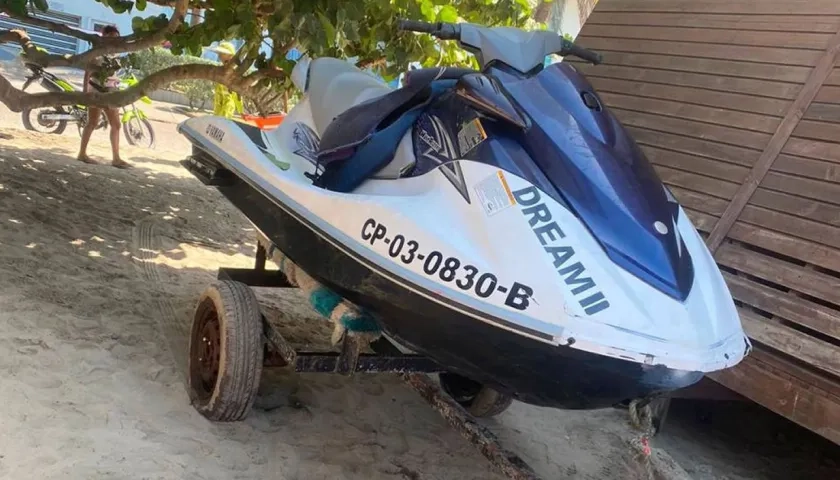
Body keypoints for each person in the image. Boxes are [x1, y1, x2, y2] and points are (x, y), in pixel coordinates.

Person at [77, 25, 132, 169]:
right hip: (96, 88)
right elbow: (88, 70)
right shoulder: (97, 52)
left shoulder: (117, 53)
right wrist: (85, 90)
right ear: (104, 36)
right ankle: (82, 153)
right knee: (93, 122)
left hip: (111, 90)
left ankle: (116, 158)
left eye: (116, 36)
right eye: (111, 36)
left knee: (116, 124)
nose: (114, 39)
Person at [208, 41, 244, 119]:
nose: (220, 56)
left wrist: (241, 111)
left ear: (231, 56)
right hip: (218, 103)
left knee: (221, 123)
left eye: (222, 53)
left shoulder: (235, 72)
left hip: (228, 105)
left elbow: (238, 93)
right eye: (219, 53)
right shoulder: (221, 69)